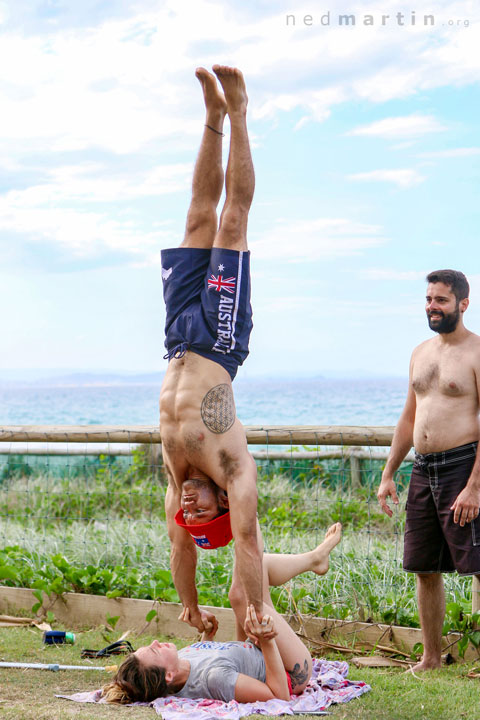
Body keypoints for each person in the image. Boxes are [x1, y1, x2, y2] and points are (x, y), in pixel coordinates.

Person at [160, 64, 260, 636]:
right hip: (219, 342)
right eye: (203, 512)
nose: (191, 508)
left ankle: (213, 116)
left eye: (190, 512)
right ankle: (240, 112)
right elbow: (246, 542)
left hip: (176, 337)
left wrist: (193, 606)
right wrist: (253, 607)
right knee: (231, 222)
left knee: (197, 216)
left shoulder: (178, 480)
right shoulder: (233, 466)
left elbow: (182, 546)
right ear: (224, 503)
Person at [101, 523, 342, 704]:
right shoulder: (215, 679)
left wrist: (208, 634)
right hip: (290, 669)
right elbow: (278, 695)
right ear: (169, 675)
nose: (155, 642)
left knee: (259, 569)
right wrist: (267, 642)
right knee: (240, 591)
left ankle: (315, 559)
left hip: (250, 647)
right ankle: (247, 514)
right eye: (154, 650)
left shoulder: (179, 665)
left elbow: (208, 663)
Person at [377, 269, 480, 671]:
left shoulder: (476, 352)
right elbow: (408, 417)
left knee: (478, 564)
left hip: (462, 467)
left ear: (463, 304)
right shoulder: (420, 352)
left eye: (441, 300)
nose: (432, 307)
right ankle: (431, 658)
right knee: (423, 567)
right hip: (423, 469)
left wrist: (475, 487)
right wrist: (389, 473)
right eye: (428, 299)